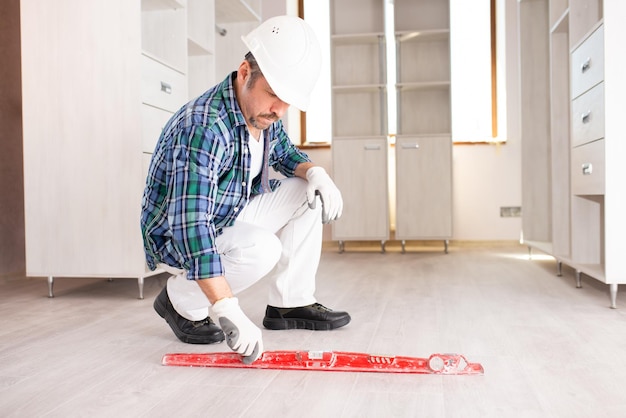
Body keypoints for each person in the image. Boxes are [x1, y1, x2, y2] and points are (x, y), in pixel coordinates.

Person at [140, 15, 351, 364]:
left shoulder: (260, 112)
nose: (279, 110)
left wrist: (316, 172)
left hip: (225, 213)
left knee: (305, 191)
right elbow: (191, 226)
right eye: (273, 95)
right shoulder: (203, 128)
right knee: (263, 249)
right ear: (244, 73)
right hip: (177, 237)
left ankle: (289, 303)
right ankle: (180, 301)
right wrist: (227, 308)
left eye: (287, 102)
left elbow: (284, 153)